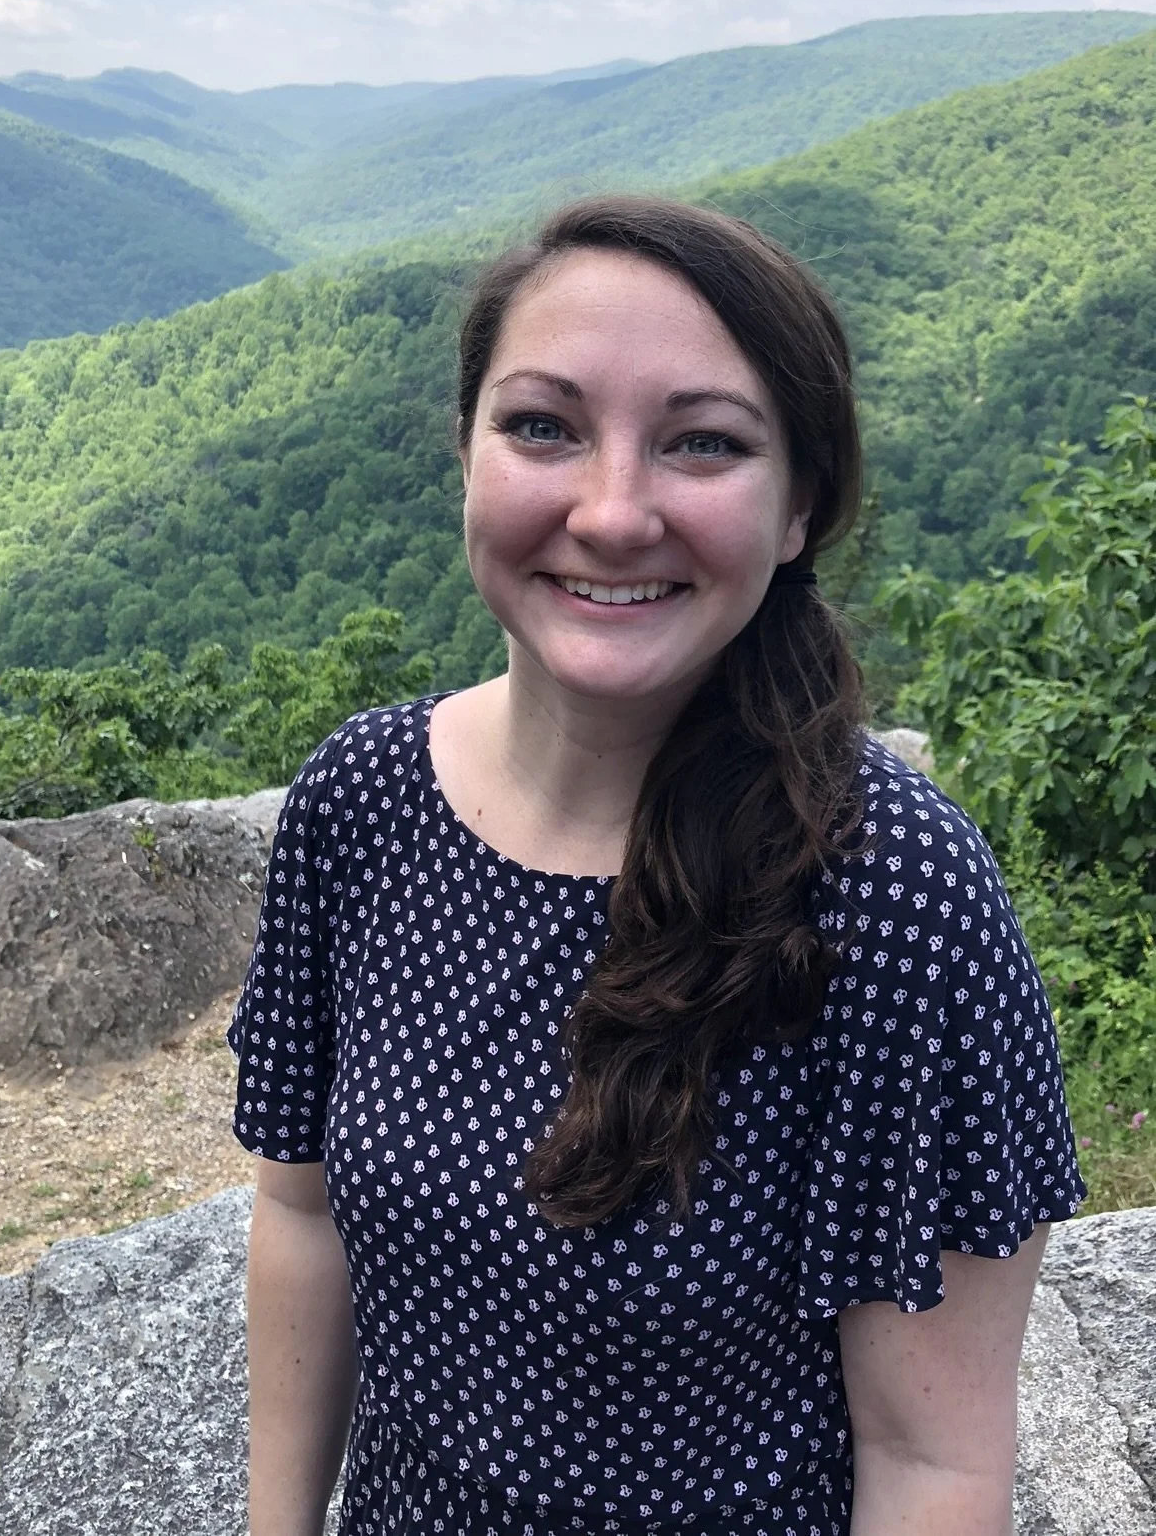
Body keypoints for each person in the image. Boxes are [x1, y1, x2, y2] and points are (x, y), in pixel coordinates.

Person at [227, 195, 1085, 1536]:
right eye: (542, 425)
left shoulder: (891, 898)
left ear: (797, 504)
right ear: (465, 451)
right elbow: (303, 1214)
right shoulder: (361, 800)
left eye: (701, 442)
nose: (612, 511)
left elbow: (931, 1462)